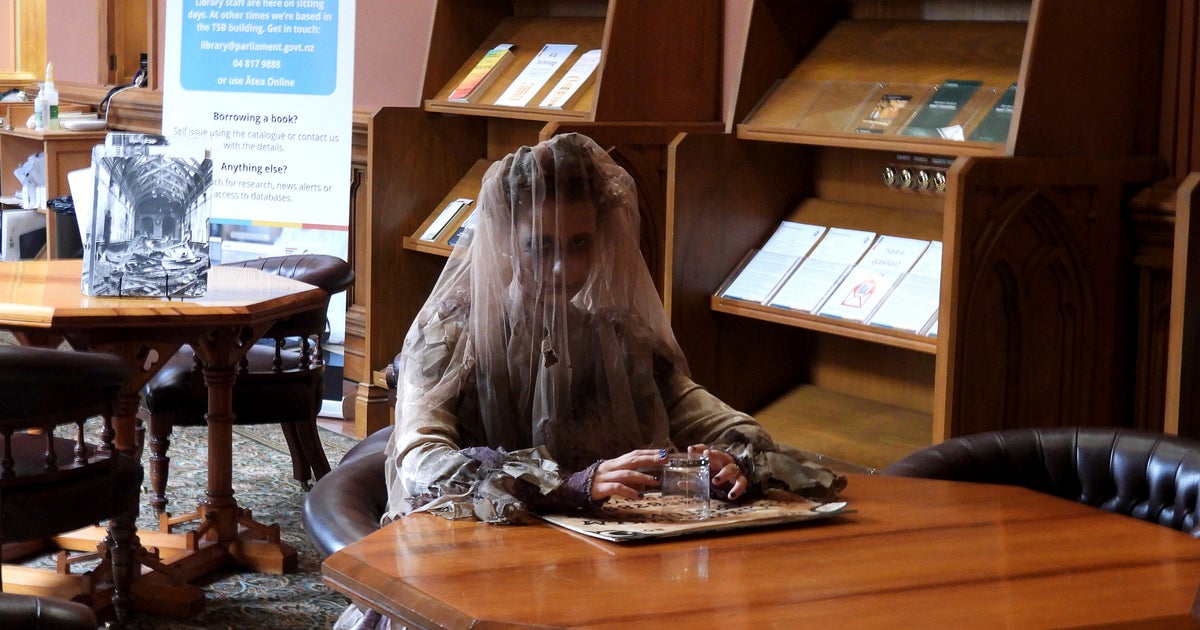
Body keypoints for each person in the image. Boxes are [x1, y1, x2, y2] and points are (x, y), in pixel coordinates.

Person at [336, 132, 845, 629]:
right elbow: (422, 463)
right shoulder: (449, 334)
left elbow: (725, 423)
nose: (564, 266)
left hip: (592, 566)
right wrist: (565, 485)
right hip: (474, 570)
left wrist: (732, 458)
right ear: (507, 243)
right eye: (541, 246)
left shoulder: (614, 337)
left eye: (580, 244)